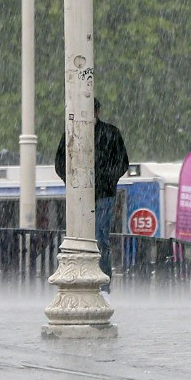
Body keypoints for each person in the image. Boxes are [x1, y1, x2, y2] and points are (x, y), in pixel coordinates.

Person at [55, 98, 129, 293]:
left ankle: (101, 284)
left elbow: (122, 163)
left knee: (99, 238)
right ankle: (96, 282)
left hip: (100, 193)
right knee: (91, 238)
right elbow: (60, 163)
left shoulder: (107, 133)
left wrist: (102, 180)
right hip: (90, 193)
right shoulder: (77, 133)